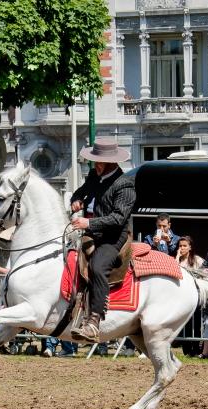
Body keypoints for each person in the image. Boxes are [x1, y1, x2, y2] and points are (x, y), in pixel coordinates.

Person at [69, 137, 135, 343]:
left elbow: (117, 219)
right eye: (94, 161)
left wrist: (88, 224)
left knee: (97, 266)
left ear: (112, 163)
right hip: (90, 233)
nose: (94, 165)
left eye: (98, 161)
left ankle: (93, 322)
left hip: (113, 238)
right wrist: (76, 200)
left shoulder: (125, 185)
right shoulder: (93, 175)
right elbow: (82, 192)